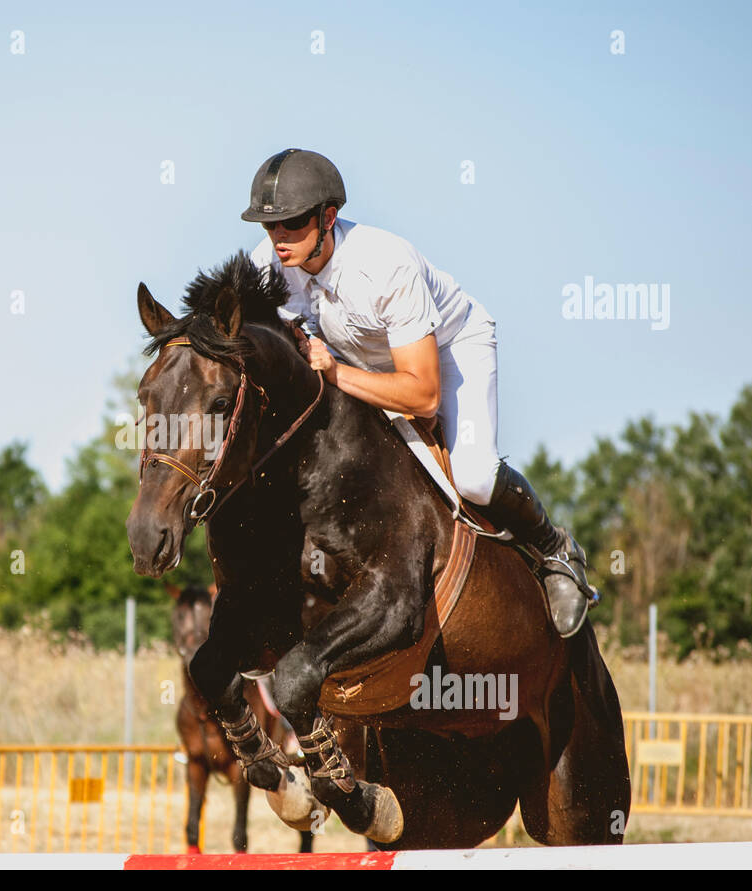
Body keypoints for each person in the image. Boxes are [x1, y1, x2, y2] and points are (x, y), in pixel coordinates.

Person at [243, 147, 597, 637]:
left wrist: (332, 373)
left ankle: (556, 549)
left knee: (472, 476)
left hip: (448, 354)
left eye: (292, 223)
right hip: (359, 356)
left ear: (328, 217)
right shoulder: (269, 262)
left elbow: (423, 396)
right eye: (269, 226)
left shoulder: (384, 264)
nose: (279, 238)